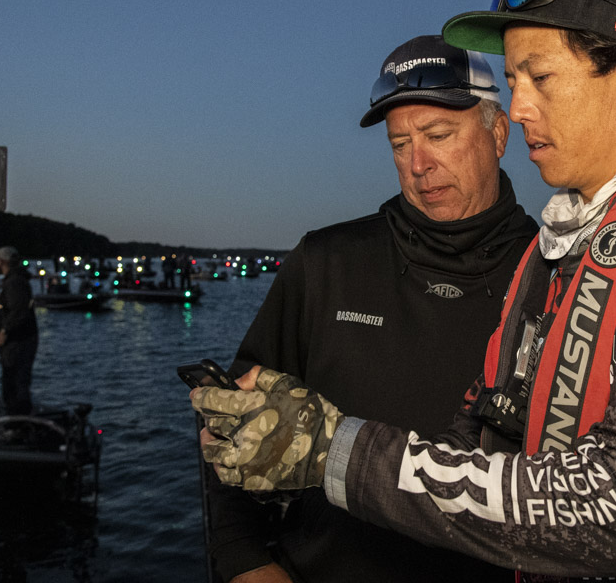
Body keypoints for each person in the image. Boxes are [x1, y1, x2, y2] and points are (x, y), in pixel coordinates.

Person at [193, 0, 616, 583]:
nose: (519, 108)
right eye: (514, 81)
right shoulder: (556, 252)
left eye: (540, 77)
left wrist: (332, 449)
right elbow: (480, 443)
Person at [203, 35, 538, 583]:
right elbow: (230, 421)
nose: (418, 164)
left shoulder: (555, 276)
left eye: (438, 135)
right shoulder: (325, 262)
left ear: (498, 133)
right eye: (400, 144)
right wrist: (246, 563)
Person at [0, 246, 38, 415]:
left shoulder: (14, 282)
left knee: (15, 381)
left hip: (18, 341)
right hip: (20, 339)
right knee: (17, 380)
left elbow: (19, 311)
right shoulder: (16, 280)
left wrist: (4, 331)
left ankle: (18, 419)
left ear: (2, 262)